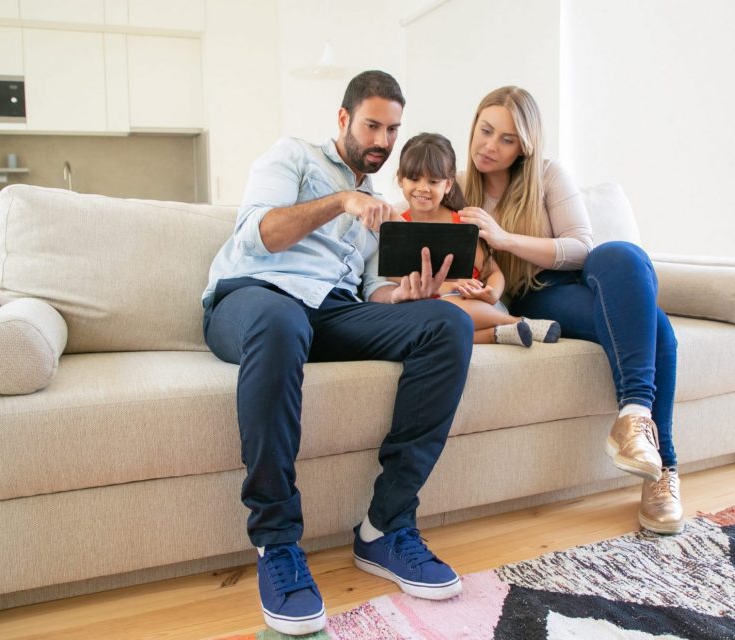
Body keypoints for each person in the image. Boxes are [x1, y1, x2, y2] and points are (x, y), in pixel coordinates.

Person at [202, 71, 471, 636]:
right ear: (344, 118)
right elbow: (261, 235)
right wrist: (340, 201)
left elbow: (373, 289)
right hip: (253, 300)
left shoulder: (377, 204)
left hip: (330, 312)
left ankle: (385, 526)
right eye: (372, 124)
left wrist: (405, 297)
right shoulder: (293, 157)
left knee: (446, 322)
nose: (382, 139)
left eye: (392, 129)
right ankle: (277, 543)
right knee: (280, 321)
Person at [459, 86, 683, 535]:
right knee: (656, 327)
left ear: (524, 145)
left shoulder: (547, 175)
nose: (491, 146)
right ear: (474, 126)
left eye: (507, 139)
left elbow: (582, 247)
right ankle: (665, 470)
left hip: (578, 276)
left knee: (621, 253)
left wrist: (504, 238)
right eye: (486, 131)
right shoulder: (457, 190)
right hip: (532, 294)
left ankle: (633, 418)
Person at [394, 132, 561, 347]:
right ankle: (507, 329)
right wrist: (444, 287)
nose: (423, 188)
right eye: (414, 179)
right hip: (427, 308)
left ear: (447, 184)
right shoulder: (399, 227)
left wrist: (491, 293)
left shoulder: (462, 224)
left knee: (452, 309)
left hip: (473, 304)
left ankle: (511, 323)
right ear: (400, 179)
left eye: (433, 181)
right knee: (431, 326)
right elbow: (394, 276)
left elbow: (493, 273)